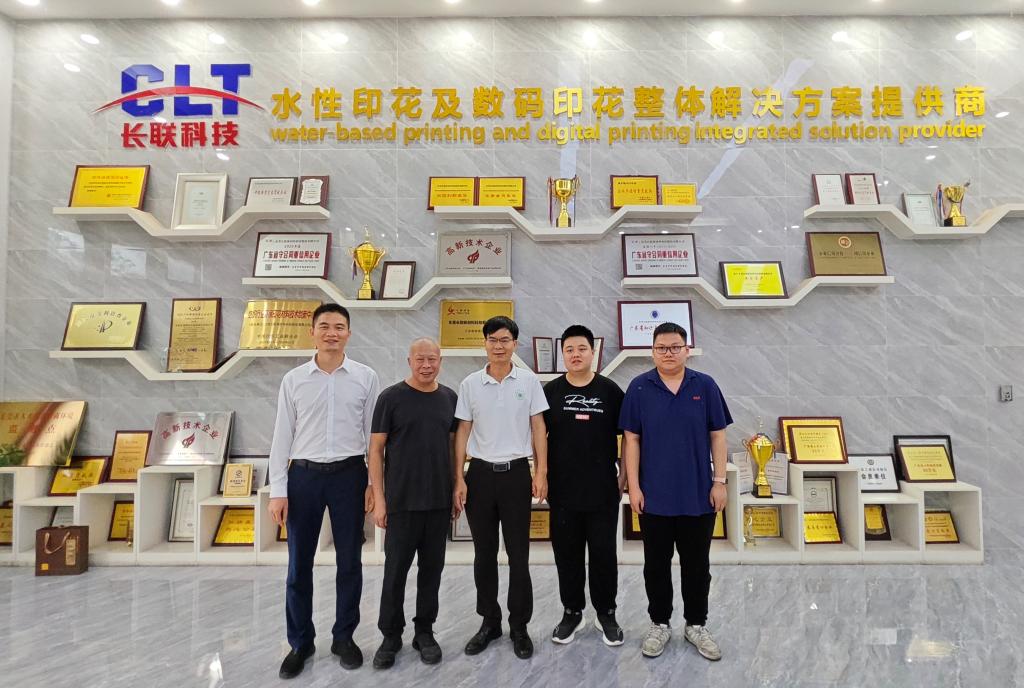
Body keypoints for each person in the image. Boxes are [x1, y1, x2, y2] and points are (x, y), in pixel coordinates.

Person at [268, 303, 380, 679]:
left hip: (350, 476)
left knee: (350, 562)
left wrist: (372, 484)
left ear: (349, 333)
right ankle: (300, 642)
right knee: (299, 564)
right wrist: (278, 491)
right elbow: (282, 436)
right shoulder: (294, 380)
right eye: (325, 326)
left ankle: (344, 638)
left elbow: (373, 437)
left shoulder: (365, 377)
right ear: (313, 332)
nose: (332, 332)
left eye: (339, 326)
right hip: (304, 477)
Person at [619, 322, 732, 661]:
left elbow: (718, 435)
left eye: (675, 347)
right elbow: (631, 440)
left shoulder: (705, 385)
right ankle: (659, 623)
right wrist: (634, 487)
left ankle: (696, 624)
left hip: (698, 495)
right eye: (661, 348)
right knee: (655, 565)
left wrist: (720, 481)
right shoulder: (640, 387)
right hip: (653, 496)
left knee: (697, 565)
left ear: (687, 349)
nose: (668, 353)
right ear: (652, 351)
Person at [453, 315, 549, 660]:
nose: (498, 346)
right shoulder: (470, 383)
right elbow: (462, 432)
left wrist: (541, 471)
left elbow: (538, 427)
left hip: (516, 474)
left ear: (514, 344)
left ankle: (519, 626)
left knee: (519, 555)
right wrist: (458, 477)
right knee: (484, 554)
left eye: (505, 340)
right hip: (479, 475)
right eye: (493, 339)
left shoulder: (528, 380)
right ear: (485, 343)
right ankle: (489, 622)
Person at [368, 338, 458, 669]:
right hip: (401, 503)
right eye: (420, 359)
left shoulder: (449, 398)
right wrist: (379, 499)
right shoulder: (390, 398)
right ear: (409, 361)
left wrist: (456, 487)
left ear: (440, 361)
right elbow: (375, 451)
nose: (426, 365)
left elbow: (454, 448)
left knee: (432, 571)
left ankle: (425, 632)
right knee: (395, 572)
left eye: (432, 359)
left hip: (438, 502)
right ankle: (390, 635)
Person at [543, 325, 626, 646]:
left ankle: (606, 613)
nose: (575, 355)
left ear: (593, 352)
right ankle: (572, 612)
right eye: (569, 350)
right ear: (562, 354)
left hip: (603, 490)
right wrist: (541, 474)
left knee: (604, 554)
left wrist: (624, 477)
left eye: (581, 349)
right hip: (562, 490)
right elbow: (538, 436)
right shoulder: (550, 392)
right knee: (567, 554)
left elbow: (630, 437)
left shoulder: (610, 391)